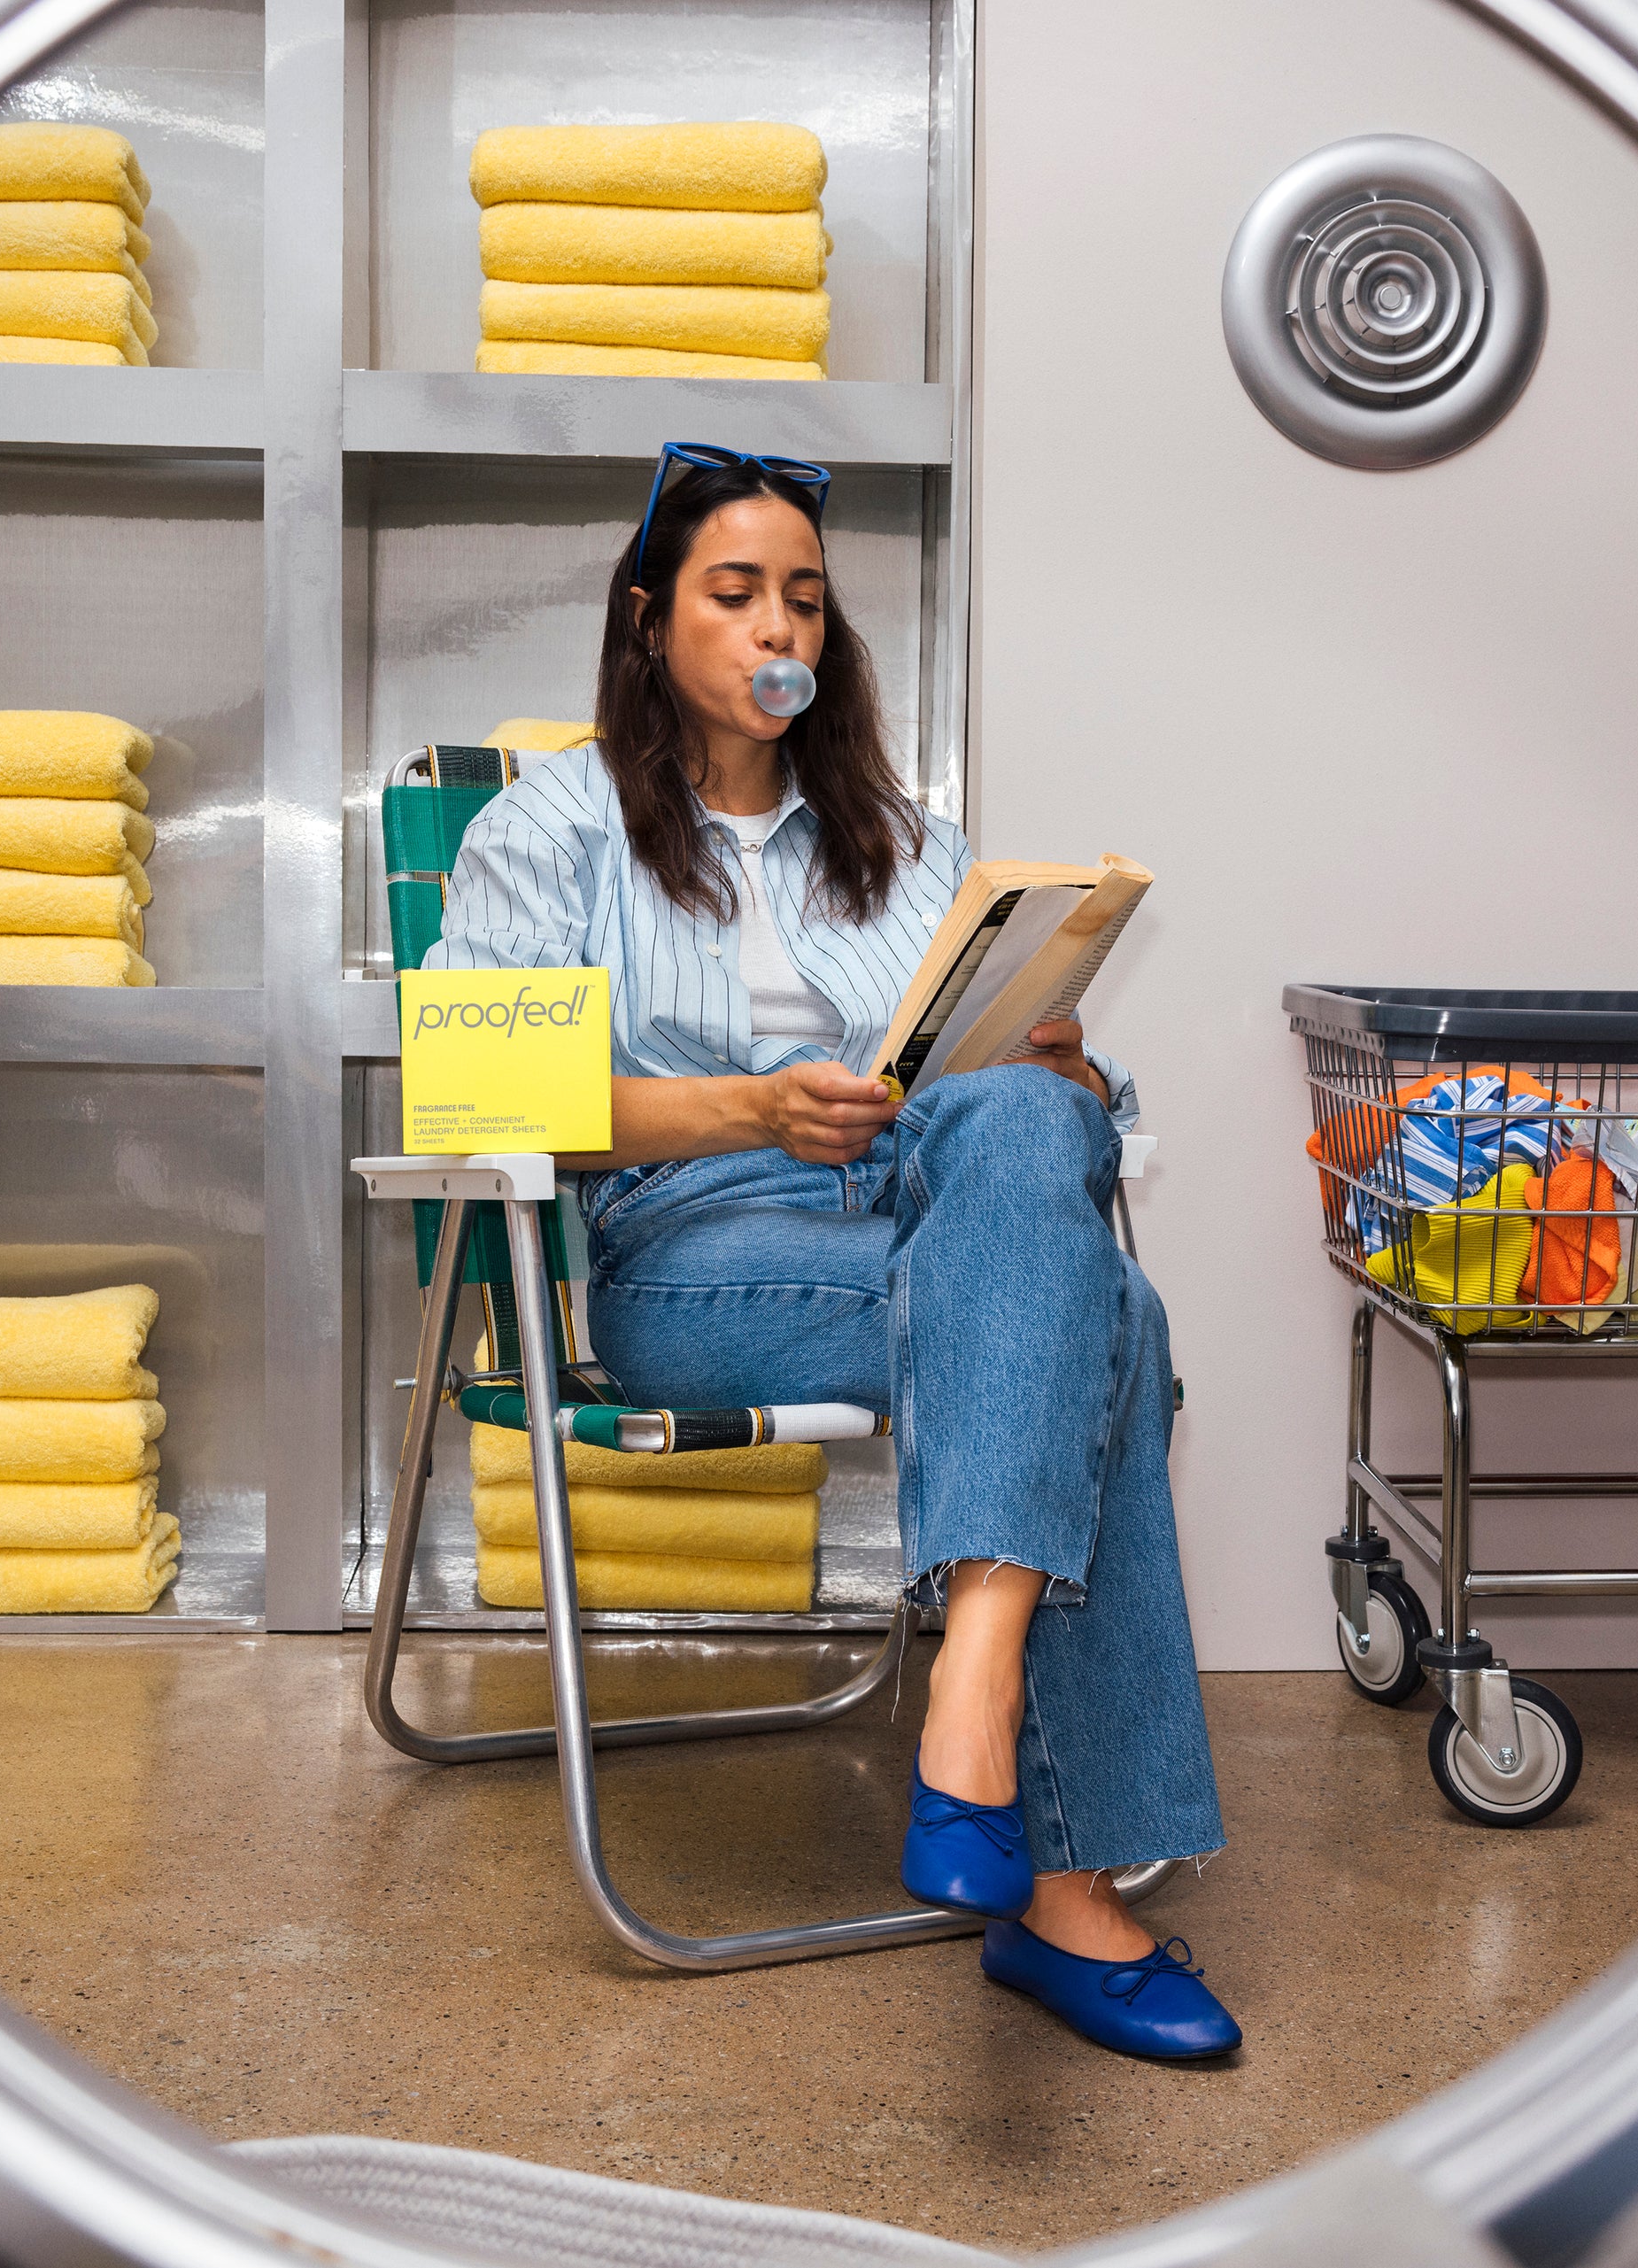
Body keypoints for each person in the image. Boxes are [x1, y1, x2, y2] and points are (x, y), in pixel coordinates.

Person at [427, 444, 1238, 2062]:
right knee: (1113, 1321)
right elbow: (479, 1095)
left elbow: (1044, 1105)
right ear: (652, 617)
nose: (776, 623)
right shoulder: (551, 825)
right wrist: (746, 1109)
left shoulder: (908, 844)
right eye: (736, 592)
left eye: (803, 594)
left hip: (923, 1219)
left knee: (1023, 1124)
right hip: (695, 1257)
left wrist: (1055, 1060)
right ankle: (1063, 1891)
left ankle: (973, 1693)